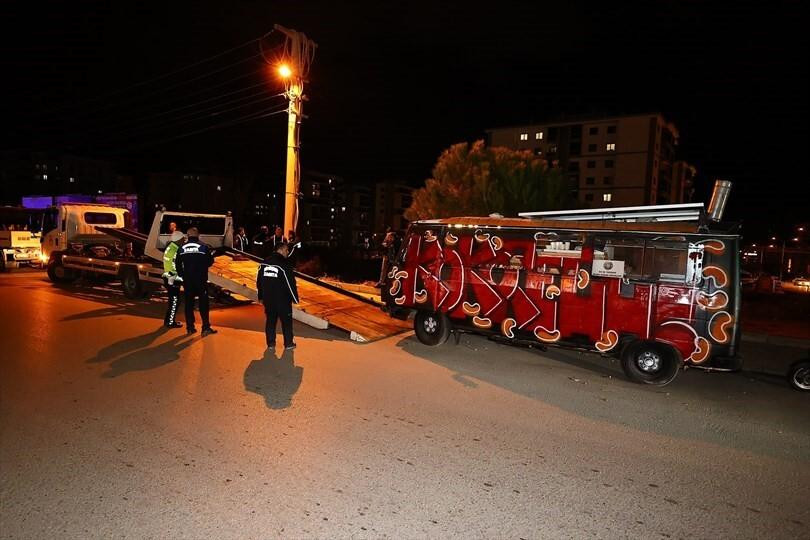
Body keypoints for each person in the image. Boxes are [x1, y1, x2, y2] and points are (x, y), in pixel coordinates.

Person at [257, 241, 299, 350]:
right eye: (286, 250)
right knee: (286, 322)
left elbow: (259, 282)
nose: (288, 252)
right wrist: (295, 299)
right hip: (283, 300)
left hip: (269, 300)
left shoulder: (264, 263)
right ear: (280, 250)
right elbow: (290, 283)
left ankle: (271, 343)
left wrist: (261, 296)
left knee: (271, 321)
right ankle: (288, 343)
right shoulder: (284, 265)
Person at [176, 227, 217, 336]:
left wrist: (182, 275)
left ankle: (190, 327)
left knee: (189, 304)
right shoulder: (203, 247)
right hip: (200, 280)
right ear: (198, 235)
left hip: (188, 281)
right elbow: (210, 261)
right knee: (204, 304)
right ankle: (205, 327)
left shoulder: (181, 248)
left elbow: (178, 264)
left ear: (187, 236)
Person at [161, 230, 185, 328]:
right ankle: (170, 322)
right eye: (183, 239)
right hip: (173, 279)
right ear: (178, 240)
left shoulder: (170, 247)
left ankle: (168, 321)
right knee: (174, 301)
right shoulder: (176, 251)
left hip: (168, 277)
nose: (184, 240)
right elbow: (176, 266)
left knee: (173, 301)